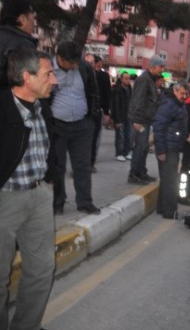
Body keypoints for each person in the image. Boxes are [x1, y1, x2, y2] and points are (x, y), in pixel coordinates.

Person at [0, 47, 58, 330]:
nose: (54, 80)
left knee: (42, 270)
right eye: (48, 73)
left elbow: (52, 148)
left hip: (38, 196)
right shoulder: (2, 109)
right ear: (27, 77)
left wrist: (50, 184)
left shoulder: (42, 108)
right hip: (5, 199)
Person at [51, 41, 101, 215]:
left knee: (83, 166)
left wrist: (91, 118)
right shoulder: (48, 69)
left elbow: (94, 92)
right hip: (57, 126)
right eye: (71, 63)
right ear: (60, 59)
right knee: (57, 167)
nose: (75, 66)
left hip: (82, 125)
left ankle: (85, 202)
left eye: (76, 62)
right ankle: (58, 202)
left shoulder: (84, 68)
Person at [127, 55, 166, 185]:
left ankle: (141, 172)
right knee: (140, 146)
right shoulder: (144, 79)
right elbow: (139, 100)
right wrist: (137, 121)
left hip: (146, 119)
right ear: (152, 66)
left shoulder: (150, 79)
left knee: (143, 147)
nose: (162, 70)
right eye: (160, 67)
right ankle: (134, 174)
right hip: (140, 120)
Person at [152, 83, 188, 219]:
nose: (184, 96)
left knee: (167, 179)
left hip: (172, 147)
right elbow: (159, 128)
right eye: (182, 93)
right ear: (175, 91)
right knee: (171, 180)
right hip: (167, 148)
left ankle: (161, 207)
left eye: (185, 94)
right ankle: (169, 211)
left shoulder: (177, 104)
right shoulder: (168, 105)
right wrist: (161, 150)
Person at [0, 0, 37, 89]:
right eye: (33, 18)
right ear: (22, 19)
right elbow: (26, 83)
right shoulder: (23, 44)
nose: (34, 23)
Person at [111, 71, 133, 161]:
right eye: (126, 78)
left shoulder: (129, 89)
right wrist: (117, 119)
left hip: (128, 116)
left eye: (129, 78)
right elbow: (115, 105)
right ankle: (119, 153)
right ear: (121, 79)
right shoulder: (117, 90)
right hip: (120, 116)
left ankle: (126, 152)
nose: (128, 80)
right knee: (120, 136)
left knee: (128, 135)